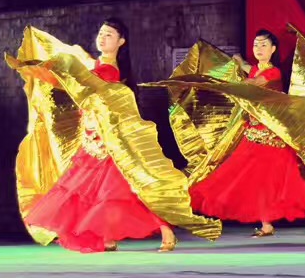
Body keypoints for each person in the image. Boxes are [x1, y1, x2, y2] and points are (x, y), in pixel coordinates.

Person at [11, 20, 220, 252]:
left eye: (109, 35)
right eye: (101, 33)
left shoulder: (109, 71)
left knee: (128, 187)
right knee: (95, 191)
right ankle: (108, 237)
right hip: (93, 137)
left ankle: (166, 229)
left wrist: (60, 68)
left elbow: (85, 87)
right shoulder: (94, 66)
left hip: (110, 140)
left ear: (121, 42)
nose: (102, 38)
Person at [187, 30, 305, 237]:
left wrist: (225, 83)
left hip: (273, 137)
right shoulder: (255, 69)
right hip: (253, 134)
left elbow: (255, 83)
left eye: (263, 45)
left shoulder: (273, 72)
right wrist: (239, 61)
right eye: (256, 45)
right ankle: (266, 224)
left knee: (290, 179)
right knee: (254, 181)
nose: (259, 49)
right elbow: (248, 70)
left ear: (273, 49)